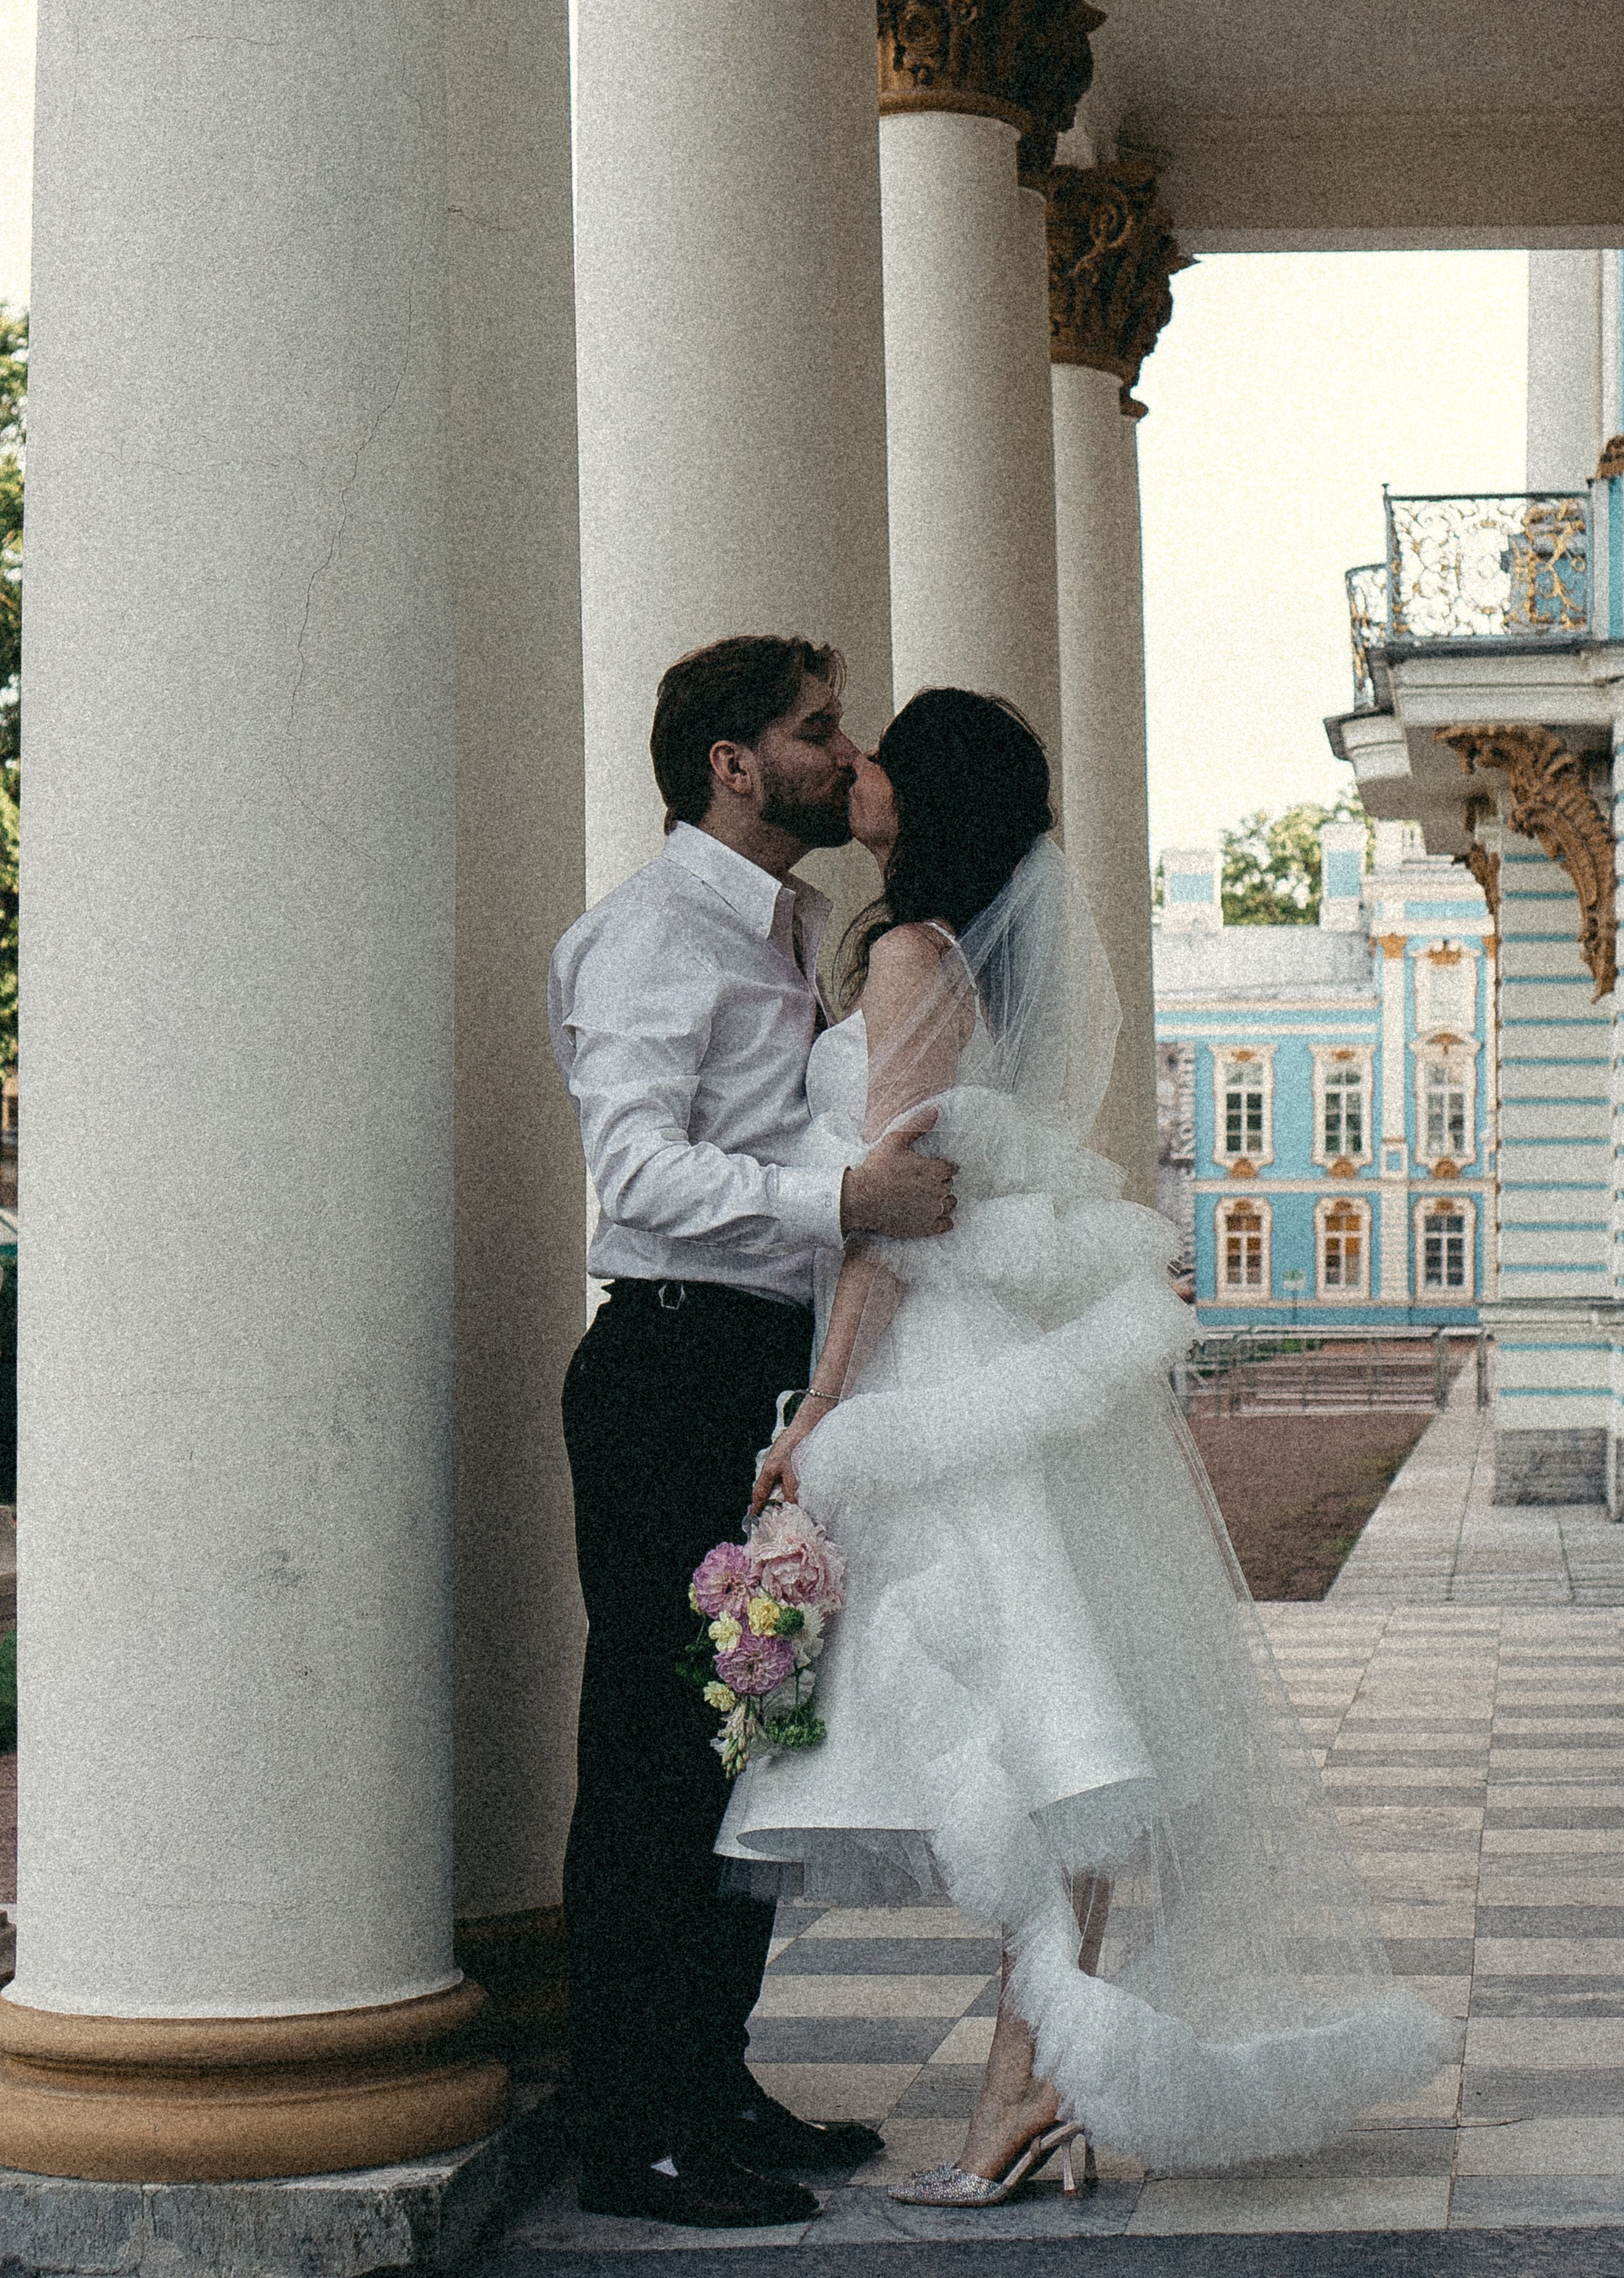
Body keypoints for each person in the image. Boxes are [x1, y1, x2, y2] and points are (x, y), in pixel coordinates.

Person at [718, 688, 1452, 2201]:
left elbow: (894, 1204)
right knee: (1063, 1718)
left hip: (939, 1360)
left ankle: (1026, 2082)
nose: (853, 770)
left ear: (922, 800)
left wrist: (824, 1411)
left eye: (878, 759)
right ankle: (1039, 2078)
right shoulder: (964, 954)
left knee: (1042, 1718)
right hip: (1007, 1355)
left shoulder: (913, 955)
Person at [547, 635, 960, 2229]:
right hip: (664, 1372)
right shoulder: (651, 935)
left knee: (739, 1744)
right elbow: (635, 1176)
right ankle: (630, 2130)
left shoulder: (778, 925)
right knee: (654, 1759)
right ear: (729, 763)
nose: (838, 752)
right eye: (812, 731)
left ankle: (706, 2082)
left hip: (751, 1376)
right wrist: (837, 1196)